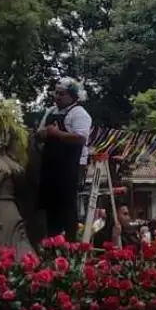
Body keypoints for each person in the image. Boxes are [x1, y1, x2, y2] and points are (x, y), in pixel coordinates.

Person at [35, 77, 93, 240]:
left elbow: (81, 138)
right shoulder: (50, 111)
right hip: (49, 166)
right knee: (49, 207)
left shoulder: (79, 114)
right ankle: (52, 243)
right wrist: (42, 134)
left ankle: (69, 245)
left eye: (62, 94)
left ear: (73, 97)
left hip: (68, 168)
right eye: (56, 93)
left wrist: (57, 134)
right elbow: (40, 132)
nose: (57, 97)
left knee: (67, 207)